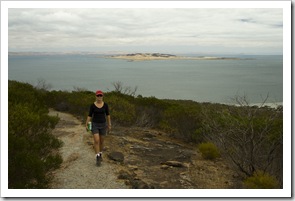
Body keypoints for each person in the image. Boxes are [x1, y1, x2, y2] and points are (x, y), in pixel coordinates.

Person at [86, 90, 111, 165]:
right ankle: (97, 157)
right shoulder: (92, 105)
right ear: (96, 96)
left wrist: (109, 124)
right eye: (98, 95)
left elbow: (108, 115)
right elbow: (90, 115)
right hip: (95, 124)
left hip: (103, 124)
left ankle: (100, 153)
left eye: (100, 95)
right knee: (96, 140)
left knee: (102, 141)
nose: (99, 97)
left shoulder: (105, 105)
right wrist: (86, 124)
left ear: (102, 96)